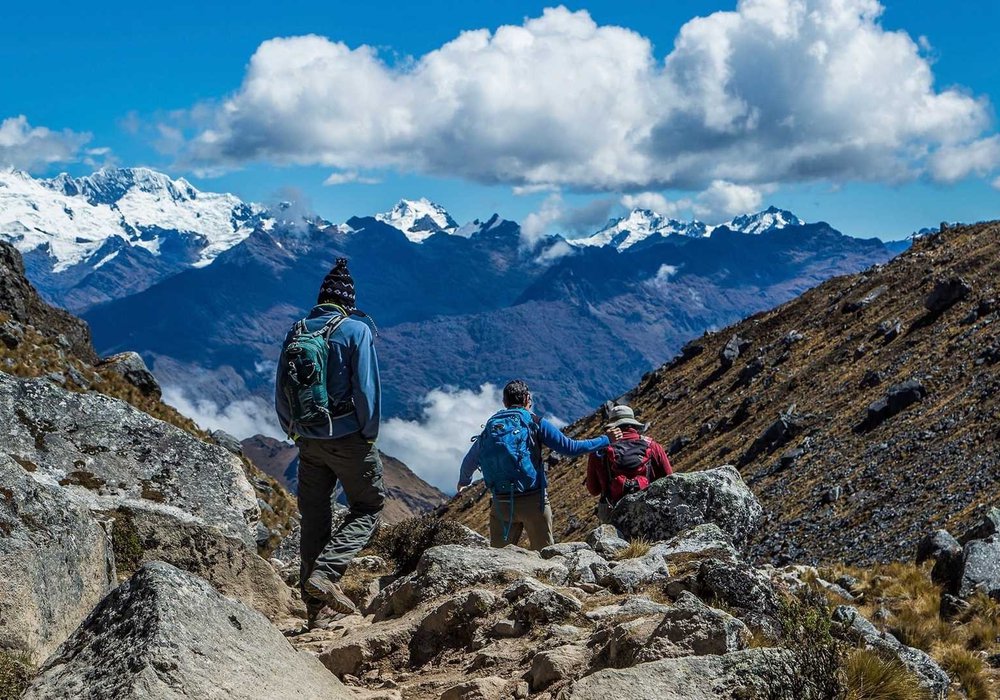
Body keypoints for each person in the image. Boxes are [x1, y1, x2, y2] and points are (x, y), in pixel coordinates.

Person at [274, 257, 383, 618]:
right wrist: (368, 434)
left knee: (315, 518)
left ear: (321, 298)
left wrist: (292, 428)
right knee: (368, 507)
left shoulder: (298, 329)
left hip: (307, 439)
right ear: (349, 302)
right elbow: (366, 390)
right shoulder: (356, 331)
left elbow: (281, 387)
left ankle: (314, 611)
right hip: (349, 436)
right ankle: (325, 573)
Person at [458, 379, 621, 550]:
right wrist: (606, 440)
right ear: (528, 398)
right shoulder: (535, 422)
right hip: (534, 502)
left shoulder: (492, 428)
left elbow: (469, 461)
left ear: (505, 402)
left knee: (497, 560)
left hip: (501, 504)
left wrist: (464, 482)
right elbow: (570, 448)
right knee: (545, 558)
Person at [586, 404, 672, 523]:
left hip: (612, 512)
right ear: (633, 423)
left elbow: (593, 489)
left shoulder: (599, 451)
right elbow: (669, 478)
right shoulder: (653, 446)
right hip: (648, 508)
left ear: (612, 426)